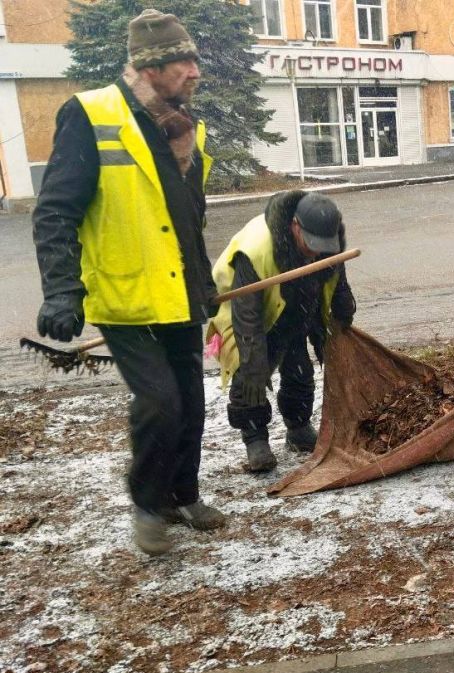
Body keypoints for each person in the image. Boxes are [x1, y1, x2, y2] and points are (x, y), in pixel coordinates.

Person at [33, 9, 225, 555]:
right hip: (124, 296)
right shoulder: (91, 114)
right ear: (152, 66)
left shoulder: (184, 125)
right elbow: (55, 212)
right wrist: (62, 289)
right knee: (160, 401)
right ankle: (147, 503)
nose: (195, 72)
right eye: (183, 61)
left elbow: (188, 215)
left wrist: (203, 279)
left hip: (179, 293)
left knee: (189, 400)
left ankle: (181, 495)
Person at [207, 191, 356, 471]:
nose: (316, 252)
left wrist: (344, 308)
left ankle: (298, 428)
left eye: (323, 246)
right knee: (250, 374)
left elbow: (337, 277)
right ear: (295, 226)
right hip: (254, 315)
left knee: (300, 373)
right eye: (310, 243)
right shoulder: (256, 249)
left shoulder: (328, 241)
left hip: (296, 308)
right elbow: (246, 315)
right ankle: (255, 439)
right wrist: (252, 360)